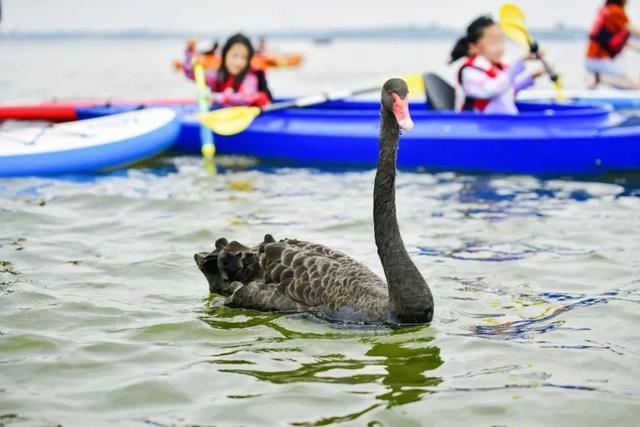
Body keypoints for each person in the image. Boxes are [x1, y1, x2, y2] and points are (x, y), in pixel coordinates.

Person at [450, 16, 545, 114]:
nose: (500, 48)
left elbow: (509, 90)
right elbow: (492, 90)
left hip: (501, 125)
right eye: (493, 42)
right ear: (474, 46)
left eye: (501, 40)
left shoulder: (497, 68)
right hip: (477, 126)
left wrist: (533, 76)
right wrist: (521, 61)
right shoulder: (469, 71)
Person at [182, 33, 272, 107]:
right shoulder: (217, 76)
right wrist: (190, 52)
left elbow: (246, 97)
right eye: (235, 55)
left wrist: (218, 97)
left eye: (244, 57)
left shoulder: (250, 78)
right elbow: (191, 74)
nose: (238, 62)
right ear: (225, 55)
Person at [586, 0, 640, 89]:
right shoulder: (615, 11)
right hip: (598, 60)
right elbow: (631, 29)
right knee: (634, 85)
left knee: (628, 82)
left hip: (594, 60)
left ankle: (596, 78)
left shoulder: (607, 9)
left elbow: (621, 41)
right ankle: (597, 78)